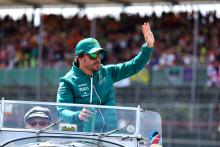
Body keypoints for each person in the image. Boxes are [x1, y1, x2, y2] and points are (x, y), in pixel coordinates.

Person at [56, 22, 154, 132]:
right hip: (81, 139)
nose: (98, 59)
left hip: (109, 137)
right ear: (80, 57)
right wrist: (78, 115)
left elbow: (134, 66)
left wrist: (148, 47)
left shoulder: (107, 72)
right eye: (93, 55)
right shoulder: (67, 82)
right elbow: (62, 111)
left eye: (100, 55)